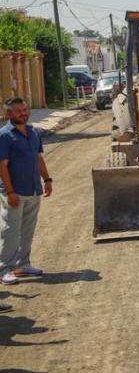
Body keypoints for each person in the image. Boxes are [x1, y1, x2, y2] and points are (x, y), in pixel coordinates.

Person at [0, 98, 52, 286]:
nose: (24, 113)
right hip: (15, 192)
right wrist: (10, 192)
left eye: (25, 109)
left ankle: (23, 265)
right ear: (9, 114)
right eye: (19, 111)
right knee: (10, 232)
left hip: (33, 189)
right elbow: (2, 166)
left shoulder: (32, 132)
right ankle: (4, 270)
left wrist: (47, 179)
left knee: (27, 230)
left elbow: (38, 158)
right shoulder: (4, 136)